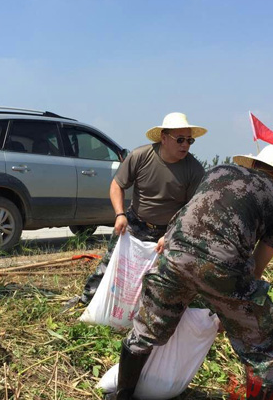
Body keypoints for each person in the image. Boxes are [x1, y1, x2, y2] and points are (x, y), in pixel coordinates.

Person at [104, 144, 273, 400]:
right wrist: (234, 308)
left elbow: (187, 214)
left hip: (175, 255)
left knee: (145, 331)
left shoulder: (219, 171)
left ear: (254, 164)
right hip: (226, 267)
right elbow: (258, 264)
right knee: (259, 357)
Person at [69, 112, 207, 307]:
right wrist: (119, 215)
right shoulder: (141, 156)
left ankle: (157, 311)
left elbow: (192, 211)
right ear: (164, 138)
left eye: (189, 140)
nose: (185, 145)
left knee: (166, 276)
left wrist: (171, 235)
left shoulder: (194, 170)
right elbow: (117, 185)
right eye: (180, 139)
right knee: (111, 265)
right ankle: (86, 301)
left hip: (167, 231)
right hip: (135, 223)